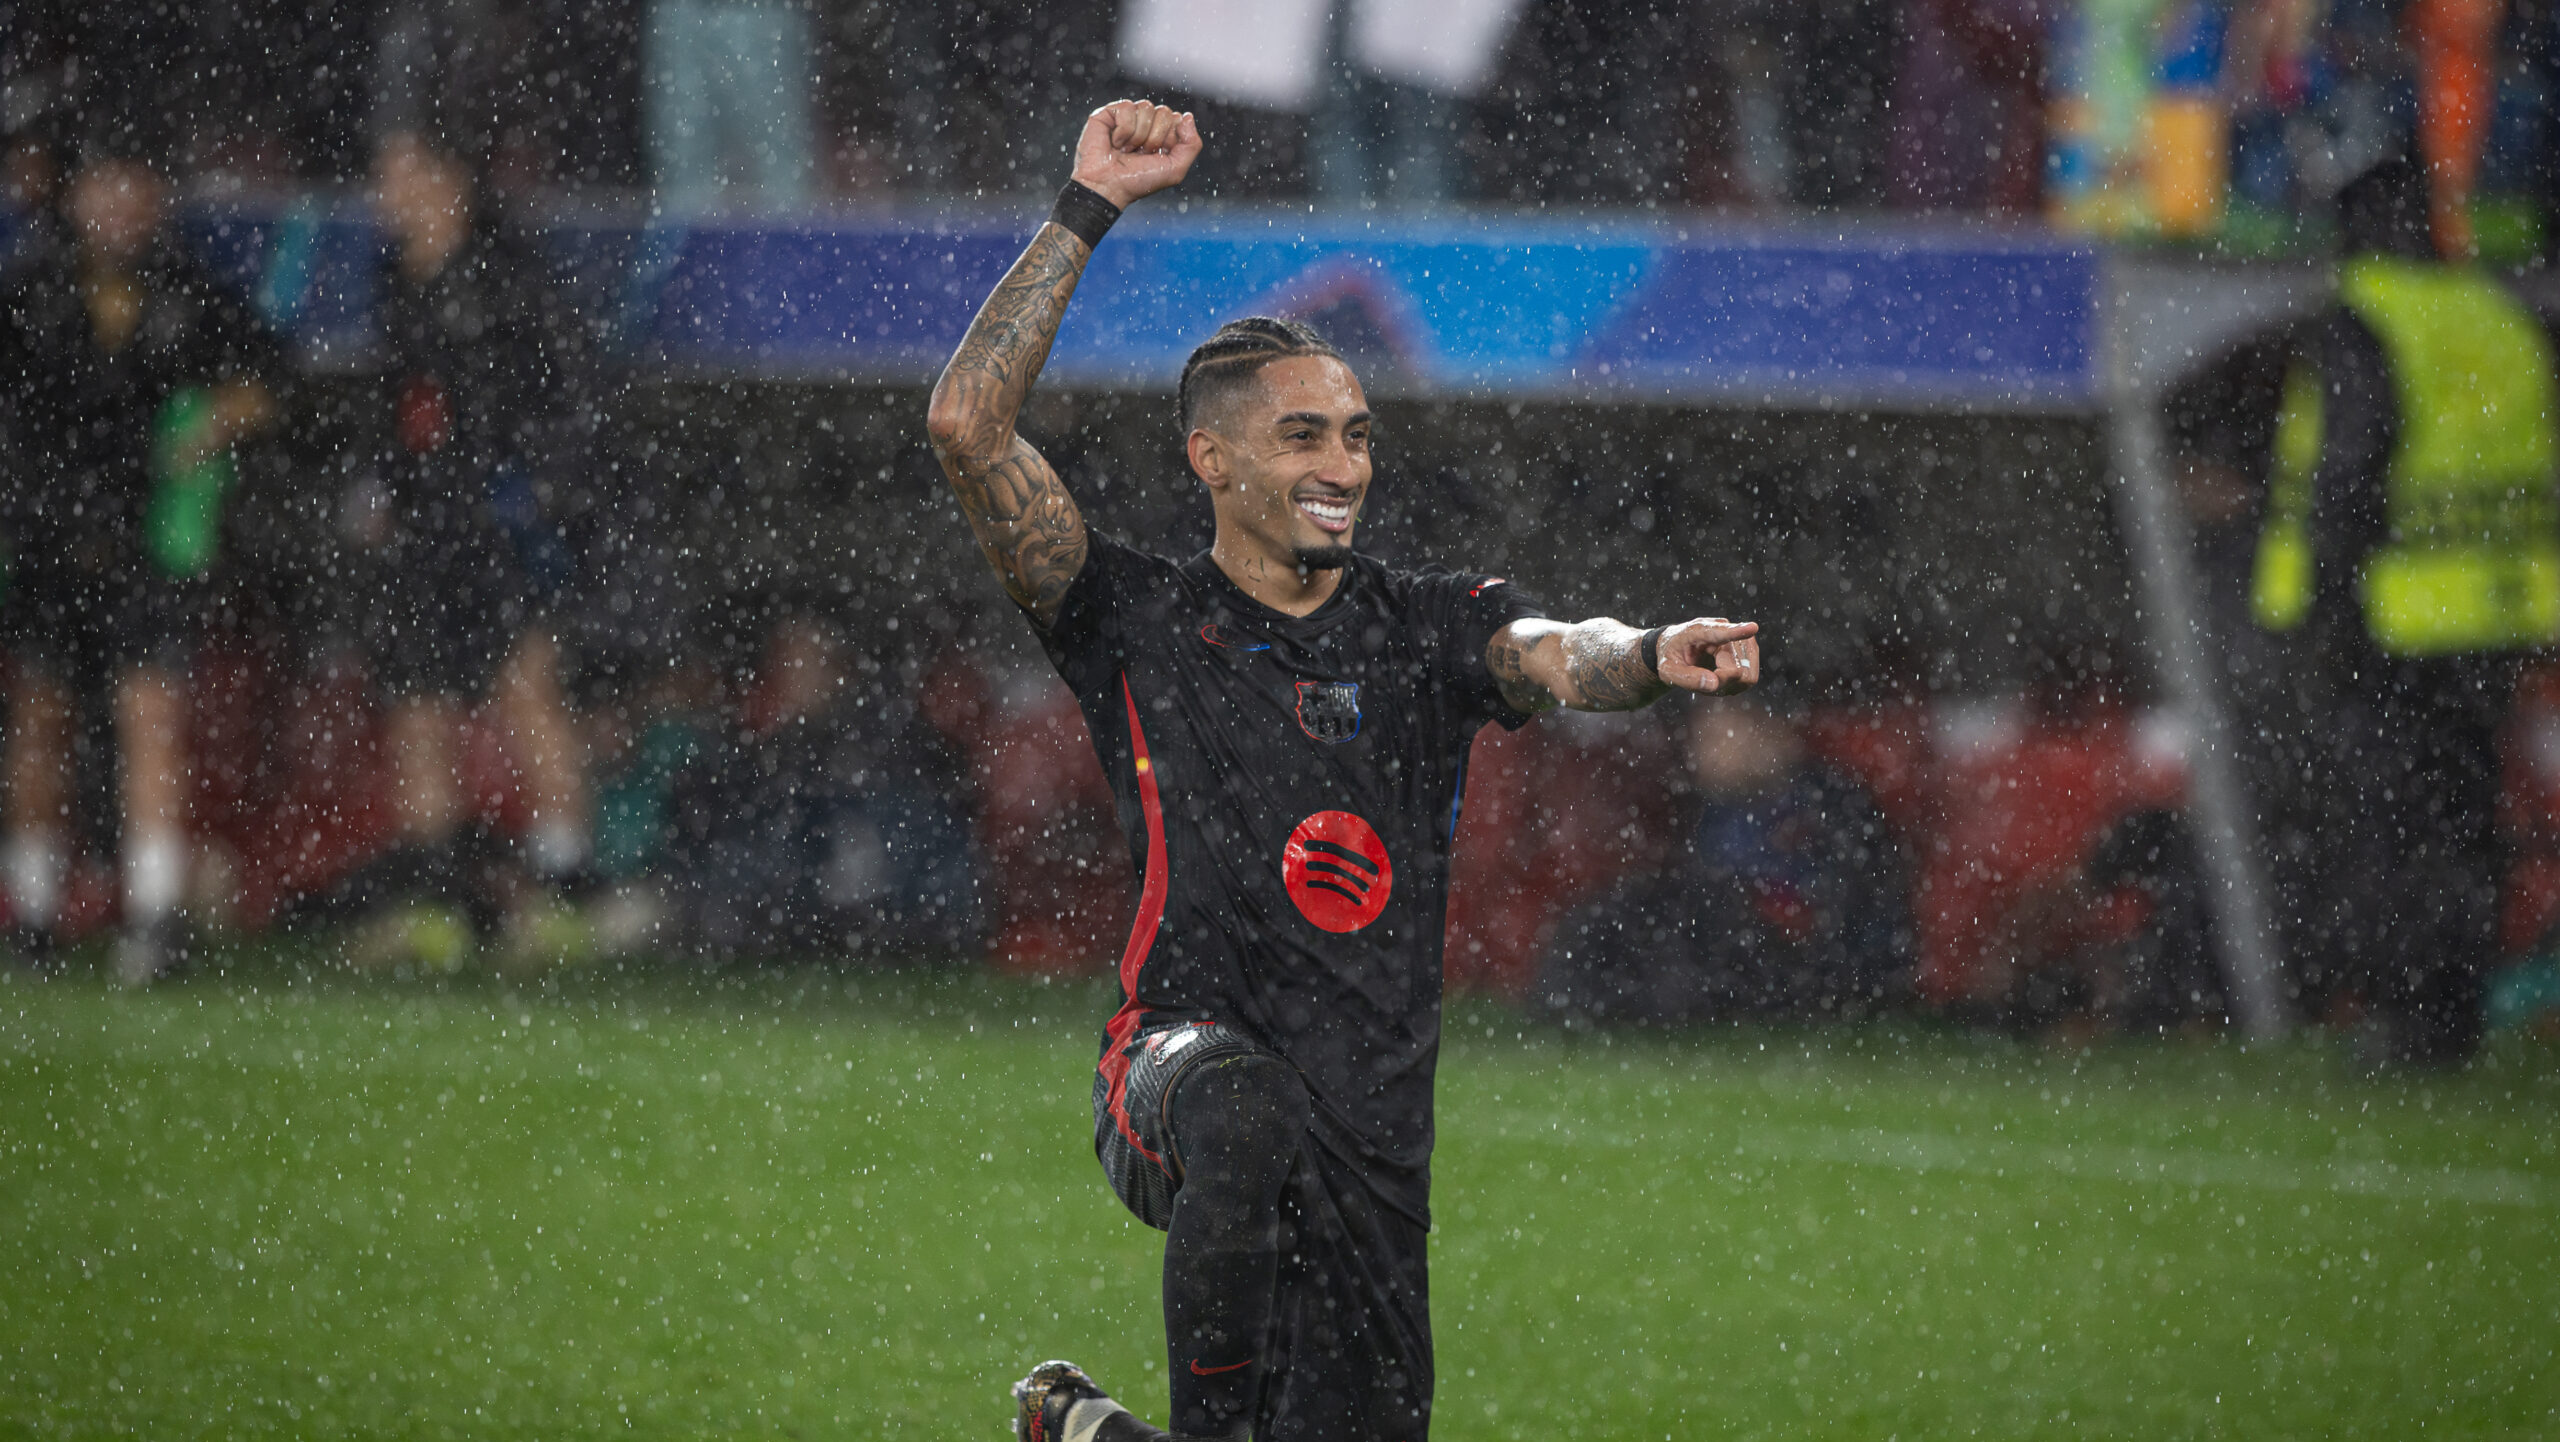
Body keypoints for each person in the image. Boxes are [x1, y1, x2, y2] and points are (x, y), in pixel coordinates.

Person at [922, 99, 1763, 1442]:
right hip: (1169, 1063)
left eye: (1358, 435)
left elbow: (1553, 650)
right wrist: (1086, 206)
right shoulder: (1134, 617)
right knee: (1241, 1112)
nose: (1343, 466)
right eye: (1305, 436)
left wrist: (1653, 649)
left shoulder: (1423, 629)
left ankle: (1086, 1431)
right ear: (1213, 458)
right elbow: (968, 427)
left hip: (1373, 1124)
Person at [2250, 148, 2560, 1066]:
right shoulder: (2498, 313)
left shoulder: (2369, 318)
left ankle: (2408, 1021)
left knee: (2389, 827)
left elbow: (2347, 477)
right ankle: (2454, 1014)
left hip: (2395, 617)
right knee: (2464, 819)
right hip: (2498, 609)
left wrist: (2320, 612)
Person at [0, 147, 280, 981]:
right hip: (48, 538)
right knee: (41, 723)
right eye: (104, 188)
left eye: (135, 187)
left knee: (149, 720)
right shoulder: (30, 292)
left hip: (146, 540)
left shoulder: (188, 292)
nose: (120, 206)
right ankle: (36, 917)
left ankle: (153, 922)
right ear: (77, 197)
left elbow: (266, 382)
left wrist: (208, 427)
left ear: (156, 199)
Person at [335, 132, 592, 961]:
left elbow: (558, 392)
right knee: (419, 707)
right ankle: (441, 901)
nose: (386, 195)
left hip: (495, 521)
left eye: (401, 175)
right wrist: (379, 484)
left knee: (525, 691)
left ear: (447, 182)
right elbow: (396, 402)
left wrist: (529, 492)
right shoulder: (396, 282)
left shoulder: (504, 280)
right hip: (423, 526)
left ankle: (563, 893)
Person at [1533, 696, 1911, 1028]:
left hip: (1789, 967)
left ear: (1772, 732)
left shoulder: (1827, 807)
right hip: (1733, 953)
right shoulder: (1711, 808)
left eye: (1717, 732)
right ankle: (1579, 1009)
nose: (1703, 748)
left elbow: (1843, 913)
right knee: (1611, 918)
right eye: (1702, 732)